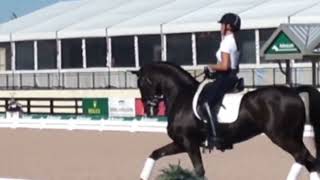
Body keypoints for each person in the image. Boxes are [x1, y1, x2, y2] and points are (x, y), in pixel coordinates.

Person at [202, 12, 241, 150]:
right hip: (230, 76)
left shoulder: (227, 41)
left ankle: (216, 137)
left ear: (228, 26)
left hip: (226, 77)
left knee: (206, 103)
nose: (221, 27)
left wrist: (210, 66)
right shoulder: (234, 39)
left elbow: (225, 66)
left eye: (222, 24)